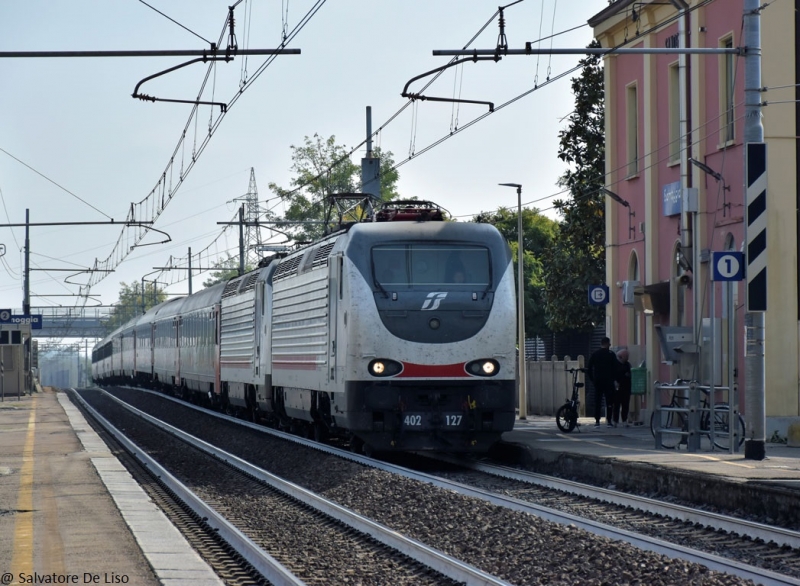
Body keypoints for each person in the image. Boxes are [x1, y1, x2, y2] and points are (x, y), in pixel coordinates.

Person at [586, 336, 619, 427]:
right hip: (608, 381)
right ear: (607, 343)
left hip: (598, 381)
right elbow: (615, 368)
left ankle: (597, 421)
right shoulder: (611, 354)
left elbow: (589, 368)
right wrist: (615, 379)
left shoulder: (595, 354)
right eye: (609, 343)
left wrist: (593, 379)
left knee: (598, 401)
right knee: (609, 401)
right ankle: (609, 420)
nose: (610, 345)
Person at [614, 348, 632, 427]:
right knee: (616, 404)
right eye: (626, 356)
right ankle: (615, 420)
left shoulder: (627, 364)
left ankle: (624, 420)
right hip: (617, 387)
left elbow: (630, 373)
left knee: (625, 404)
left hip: (626, 387)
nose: (627, 358)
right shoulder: (615, 364)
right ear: (621, 356)